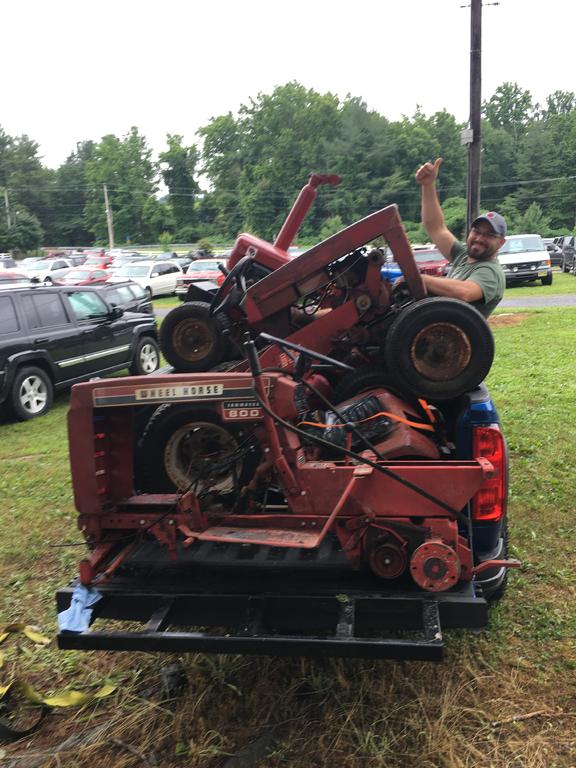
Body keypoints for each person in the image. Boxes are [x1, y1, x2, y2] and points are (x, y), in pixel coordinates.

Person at [413, 157, 506, 318]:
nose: (479, 238)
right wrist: (428, 185)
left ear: (501, 243)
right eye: (476, 231)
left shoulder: (491, 272)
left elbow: (465, 292)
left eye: (489, 235)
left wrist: (419, 279)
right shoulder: (462, 256)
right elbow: (435, 227)